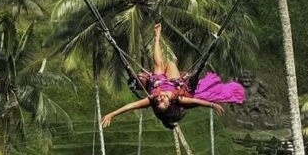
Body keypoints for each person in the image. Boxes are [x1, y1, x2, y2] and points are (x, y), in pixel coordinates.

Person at [102, 23, 246, 131]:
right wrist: (213, 105)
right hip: (175, 83)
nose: (161, 99)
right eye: (163, 102)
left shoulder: (152, 99)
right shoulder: (178, 99)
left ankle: (157, 36)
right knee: (170, 62)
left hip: (157, 82)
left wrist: (112, 115)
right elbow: (196, 101)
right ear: (170, 104)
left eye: (159, 102)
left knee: (158, 64)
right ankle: (162, 42)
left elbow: (130, 106)